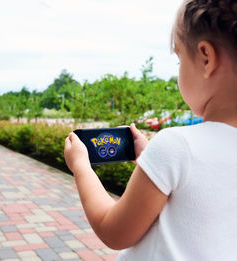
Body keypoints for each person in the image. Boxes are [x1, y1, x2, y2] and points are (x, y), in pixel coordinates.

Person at [64, 0, 237, 260]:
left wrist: (81, 167)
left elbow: (113, 231)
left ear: (205, 58)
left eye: (179, 59)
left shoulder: (178, 145)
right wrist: (155, 163)